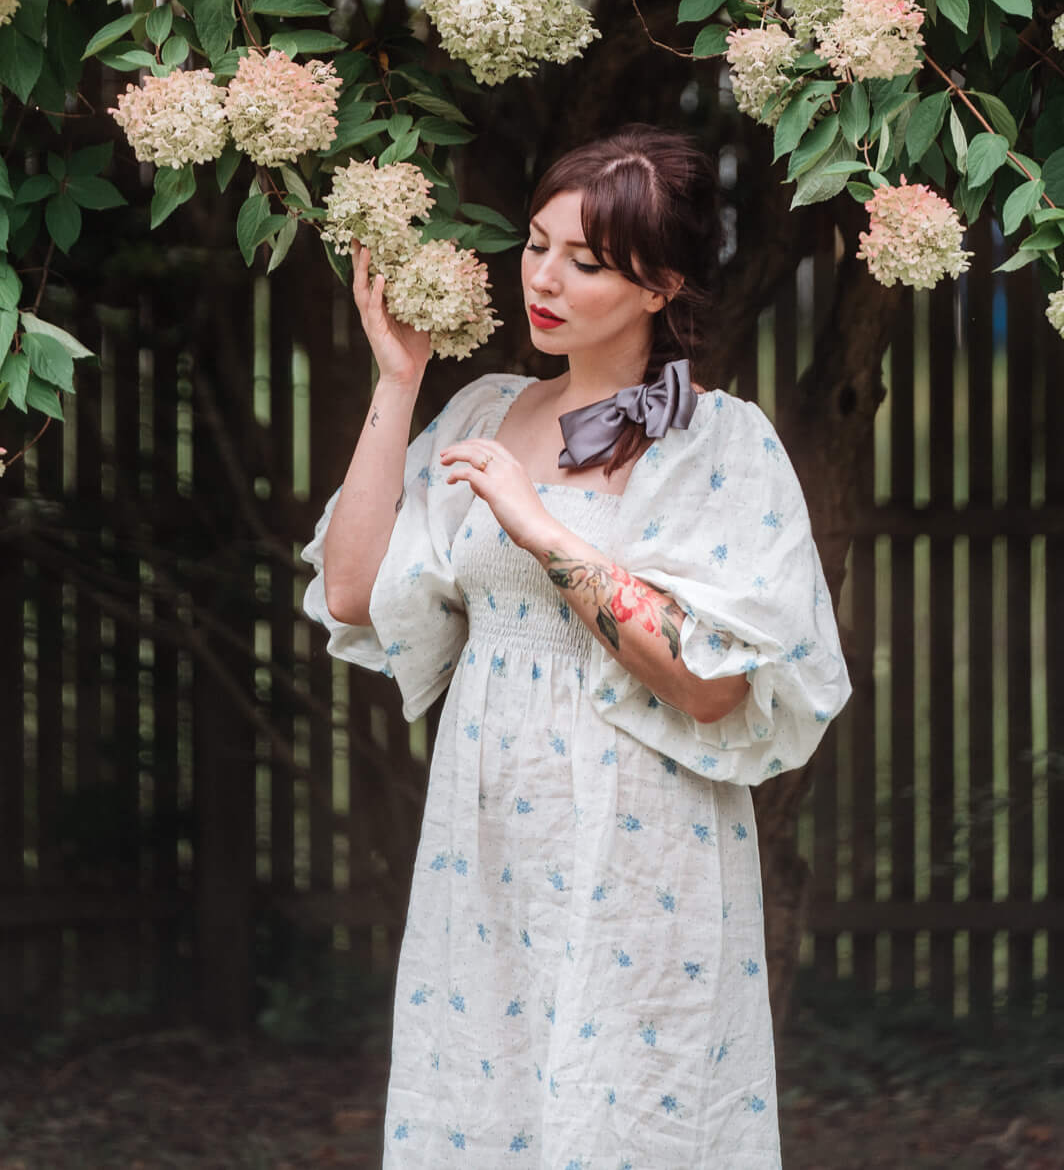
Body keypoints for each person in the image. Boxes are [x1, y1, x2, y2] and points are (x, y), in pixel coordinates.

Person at [301, 123, 851, 1169]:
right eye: (536, 244)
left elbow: (707, 689)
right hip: (488, 829)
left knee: (627, 1108)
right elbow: (353, 590)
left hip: (645, 835)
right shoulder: (486, 407)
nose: (543, 280)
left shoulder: (715, 443)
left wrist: (541, 530)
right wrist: (397, 382)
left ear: (660, 287)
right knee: (483, 1090)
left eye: (586, 263)